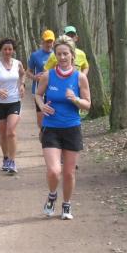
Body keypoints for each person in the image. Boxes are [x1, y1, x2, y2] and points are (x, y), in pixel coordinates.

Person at [34, 35, 91, 220]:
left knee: (68, 173)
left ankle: (66, 204)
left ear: (72, 55)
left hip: (72, 128)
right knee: (54, 170)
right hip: (51, 127)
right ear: (55, 56)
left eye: (65, 53)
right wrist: (42, 106)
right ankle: (52, 196)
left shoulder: (80, 77)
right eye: (59, 54)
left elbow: (88, 104)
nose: (62, 57)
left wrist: (75, 99)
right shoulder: (48, 75)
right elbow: (38, 94)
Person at [0, 38, 25, 174]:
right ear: (1, 50)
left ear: (13, 50)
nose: (7, 51)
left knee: (11, 132)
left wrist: (22, 85)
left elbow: (23, 74)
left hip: (14, 101)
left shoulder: (18, 63)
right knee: (3, 134)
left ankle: (12, 161)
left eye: (10, 49)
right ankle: (5, 158)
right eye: (5, 49)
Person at [27, 30, 55, 130]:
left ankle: (49, 134)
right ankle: (42, 132)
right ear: (42, 41)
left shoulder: (57, 55)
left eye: (51, 41)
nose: (49, 44)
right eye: (47, 41)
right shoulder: (35, 55)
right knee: (41, 118)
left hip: (53, 89)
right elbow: (28, 72)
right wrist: (34, 77)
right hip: (39, 90)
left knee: (52, 114)